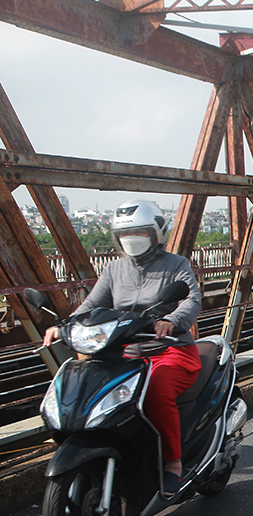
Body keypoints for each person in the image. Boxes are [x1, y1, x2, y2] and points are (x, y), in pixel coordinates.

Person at [43, 199, 202, 497]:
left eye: (141, 233)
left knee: (155, 390)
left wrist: (171, 320)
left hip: (168, 350)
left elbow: (191, 300)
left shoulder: (175, 265)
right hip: (123, 353)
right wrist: (64, 326)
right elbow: (91, 306)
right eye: (125, 235)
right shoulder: (114, 270)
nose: (132, 240)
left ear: (157, 234)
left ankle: (173, 464)